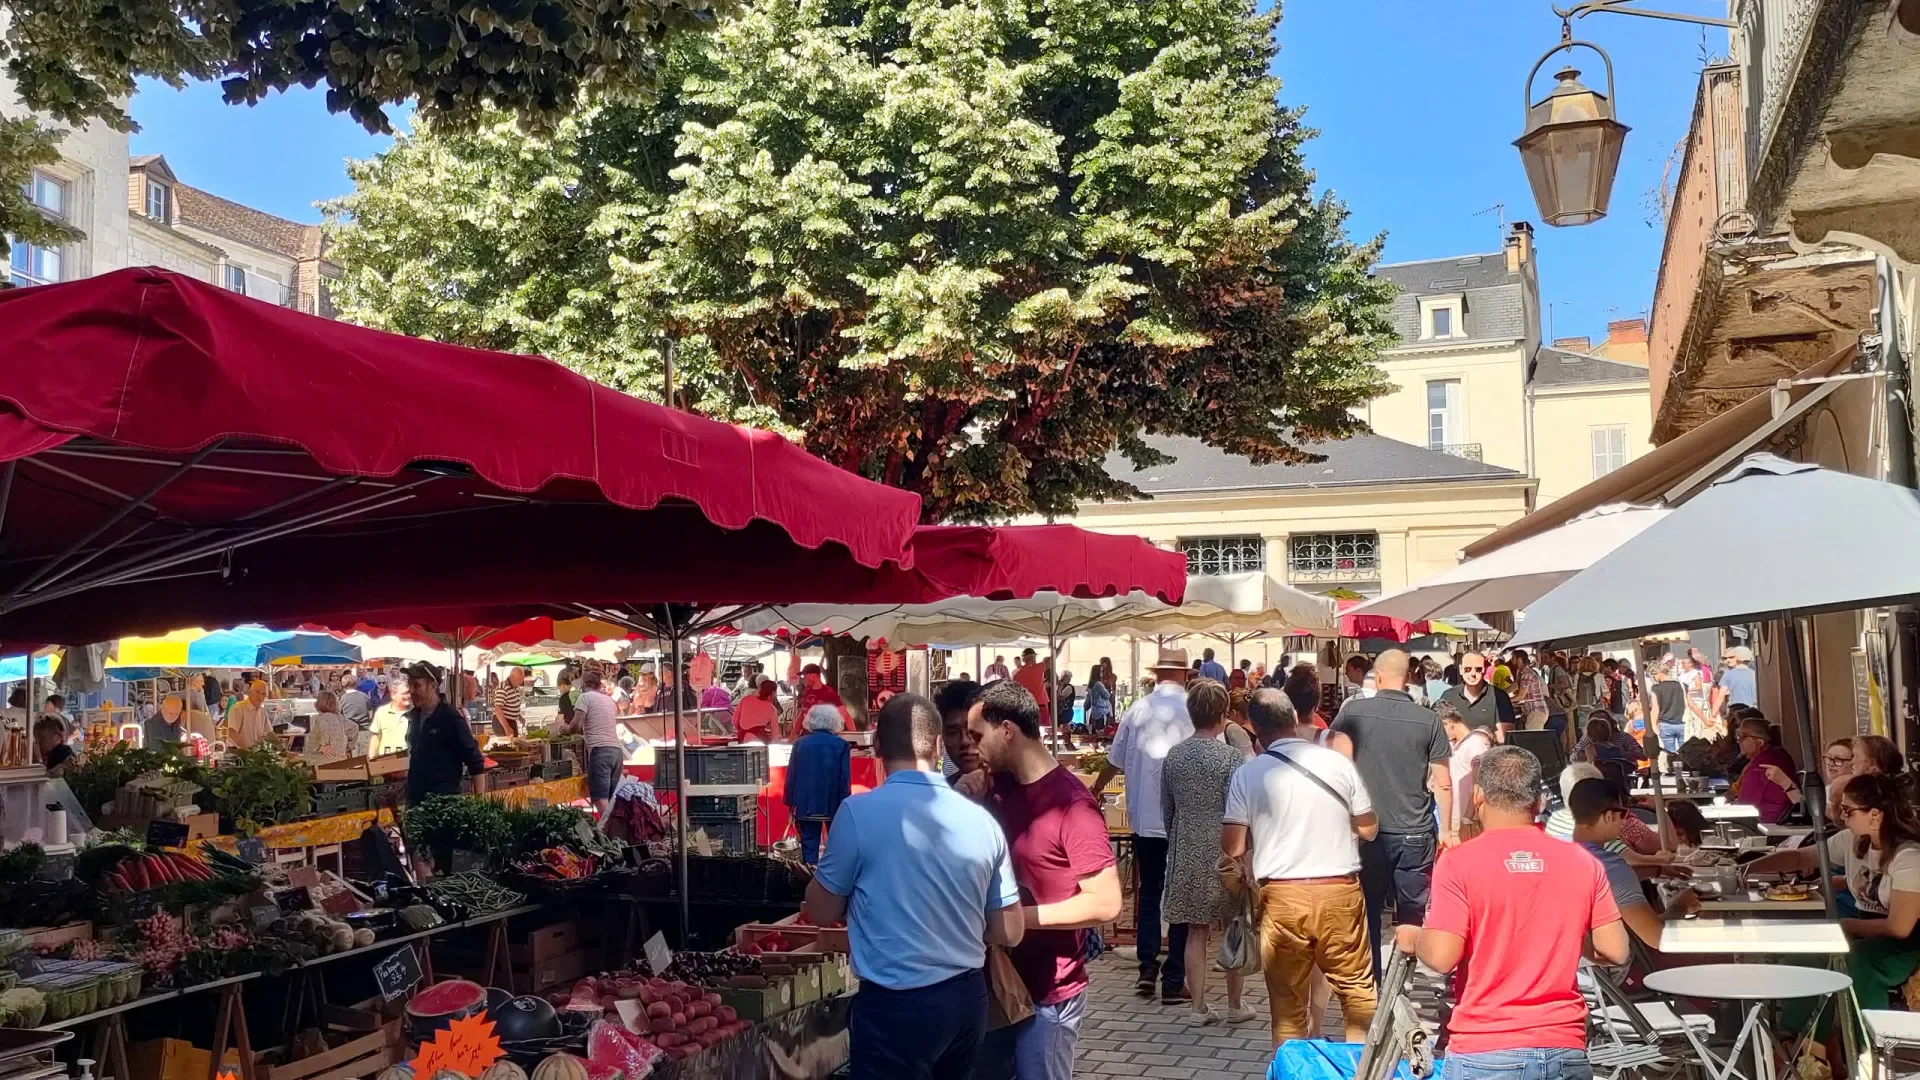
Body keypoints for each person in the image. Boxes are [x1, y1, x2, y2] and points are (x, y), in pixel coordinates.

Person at [807, 693, 1024, 1080]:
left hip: (895, 1003)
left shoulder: (858, 813)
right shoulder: (983, 821)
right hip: (966, 999)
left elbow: (820, 912)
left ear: (876, 746)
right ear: (938, 744)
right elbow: (1010, 930)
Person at [1415, 746, 1631, 1080]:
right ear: (1540, 803)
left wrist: (1416, 937)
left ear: (1477, 796)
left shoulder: (1458, 863)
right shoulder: (1582, 862)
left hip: (1485, 1047)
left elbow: (1442, 957)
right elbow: (1614, 950)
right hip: (1564, 1047)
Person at [970, 680, 1119, 1080]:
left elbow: (1105, 903)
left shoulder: (1072, 804)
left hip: (1048, 991)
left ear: (1007, 731)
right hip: (997, 986)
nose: (971, 747)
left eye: (977, 735)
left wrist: (1018, 920)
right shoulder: (995, 787)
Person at [1222, 688, 1378, 1045]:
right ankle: (1362, 1066)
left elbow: (1232, 845)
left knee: (1287, 1005)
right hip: (1340, 891)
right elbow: (1369, 828)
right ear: (1294, 717)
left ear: (1254, 729)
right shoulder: (1337, 763)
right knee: (1356, 994)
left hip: (1282, 897)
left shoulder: (1248, 774)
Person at [1751, 774, 1920, 1012]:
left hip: (1906, 944)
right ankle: (1805, 1040)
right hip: (1867, 932)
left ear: (1875, 814)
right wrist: (1746, 868)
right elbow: (1801, 857)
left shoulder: (1909, 856)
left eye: (1848, 810)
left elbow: (1899, 928)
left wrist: (1846, 926)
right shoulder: (1854, 840)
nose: (1842, 816)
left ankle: (1868, 1039)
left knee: (1857, 958)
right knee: (1806, 957)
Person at [1331, 648, 1451, 973]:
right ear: (1409, 677)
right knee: (1411, 913)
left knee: (1366, 907)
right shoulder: (1429, 720)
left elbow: (1330, 761)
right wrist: (1450, 830)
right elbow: (1443, 782)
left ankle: (1372, 983)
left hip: (1366, 830)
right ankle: (1403, 981)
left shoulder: (1353, 713)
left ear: (1377, 676)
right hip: (1416, 829)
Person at [1091, 649, 1195, 1003]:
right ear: (1184, 675)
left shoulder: (1137, 709)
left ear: (1158, 674)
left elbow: (1114, 760)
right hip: (1183, 818)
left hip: (1145, 818)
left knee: (1150, 892)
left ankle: (1147, 968)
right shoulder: (1193, 709)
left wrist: (1094, 790)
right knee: (1180, 898)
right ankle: (1174, 977)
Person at [1160, 680, 1258, 1026]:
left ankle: (1198, 1006)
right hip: (1225, 849)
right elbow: (1241, 810)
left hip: (1187, 847)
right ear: (1221, 714)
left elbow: (1167, 808)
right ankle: (1235, 1002)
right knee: (1234, 924)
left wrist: (1179, 836)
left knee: (1195, 930)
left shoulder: (1175, 755)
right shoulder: (1231, 757)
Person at [1567, 778, 1699, 971]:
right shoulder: (1612, 867)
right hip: (1625, 973)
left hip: (1582, 971)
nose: (1625, 821)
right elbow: (1657, 938)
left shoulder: (1566, 854)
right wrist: (1680, 906)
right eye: (1624, 814)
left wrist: (1657, 870)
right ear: (1609, 816)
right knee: (1718, 956)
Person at [401, 662, 486, 804]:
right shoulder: (414, 717)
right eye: (410, 685)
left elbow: (475, 762)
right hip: (415, 801)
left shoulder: (450, 717)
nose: (411, 690)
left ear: (433, 685)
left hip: (443, 803)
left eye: (417, 685)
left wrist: (480, 805)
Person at [787, 704, 853, 864]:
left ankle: (809, 878)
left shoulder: (800, 744)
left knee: (809, 846)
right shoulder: (841, 745)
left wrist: (790, 802)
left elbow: (792, 775)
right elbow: (844, 779)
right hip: (833, 802)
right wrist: (845, 802)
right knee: (836, 845)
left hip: (806, 802)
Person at [563, 671, 624, 814]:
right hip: (616, 753)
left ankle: (608, 832)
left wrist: (565, 729)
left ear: (584, 685)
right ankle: (614, 832)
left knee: (600, 798)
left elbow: (576, 726)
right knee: (610, 797)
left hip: (601, 752)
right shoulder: (608, 700)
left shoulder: (584, 698)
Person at [1439, 700, 1493, 843]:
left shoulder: (1475, 743)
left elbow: (1478, 783)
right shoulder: (1455, 744)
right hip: (1456, 816)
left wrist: (1467, 818)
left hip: (1466, 819)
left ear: (1449, 723)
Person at [1732, 714, 1798, 823]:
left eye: (1742, 737)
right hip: (1777, 820)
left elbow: (1745, 805)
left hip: (1768, 824)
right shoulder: (1776, 754)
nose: (1738, 741)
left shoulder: (1764, 762)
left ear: (1760, 742)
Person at [1436, 651, 1516, 733]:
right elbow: (1442, 730)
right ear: (1460, 670)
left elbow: (1504, 736)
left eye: (1478, 669)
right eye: (1467, 669)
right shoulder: (1448, 696)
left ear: (1484, 670)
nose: (1473, 673)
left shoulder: (1499, 697)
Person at [303, 690, 363, 761]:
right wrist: (349, 748)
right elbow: (354, 727)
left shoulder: (322, 718)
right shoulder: (340, 718)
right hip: (338, 758)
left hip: (322, 759)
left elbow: (324, 728)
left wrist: (322, 746)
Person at [793, 664, 846, 739]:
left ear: (813, 676)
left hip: (822, 737)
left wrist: (854, 736)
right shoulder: (807, 692)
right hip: (805, 736)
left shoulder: (829, 693)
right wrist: (792, 738)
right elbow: (802, 714)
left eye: (805, 676)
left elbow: (844, 714)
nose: (804, 679)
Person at [1648, 660, 1688, 754]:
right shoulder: (1682, 686)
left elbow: (1655, 709)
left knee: (1669, 754)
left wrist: (1653, 725)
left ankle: (1672, 768)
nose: (1654, 679)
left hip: (1665, 724)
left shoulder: (1656, 688)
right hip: (1683, 723)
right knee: (1684, 754)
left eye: (1654, 676)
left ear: (1658, 673)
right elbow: (1690, 705)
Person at [224, 680, 274, 749]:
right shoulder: (238, 708)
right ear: (250, 692)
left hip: (254, 752)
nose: (260, 697)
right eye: (257, 692)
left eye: (264, 694)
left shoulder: (263, 712)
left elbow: (269, 733)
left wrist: (282, 750)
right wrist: (247, 750)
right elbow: (233, 733)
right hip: (235, 752)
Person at [367, 679, 411, 756]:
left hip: (408, 760)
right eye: (404, 693)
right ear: (393, 695)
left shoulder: (415, 713)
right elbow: (375, 737)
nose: (408, 696)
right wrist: (371, 759)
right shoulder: (382, 712)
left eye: (409, 693)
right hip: (386, 760)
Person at [1713, 644, 1757, 719]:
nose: (1727, 660)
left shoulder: (1728, 674)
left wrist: (1713, 714)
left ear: (1740, 658)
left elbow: (1720, 696)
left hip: (1735, 711)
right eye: (1726, 658)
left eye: (1731, 657)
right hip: (1754, 710)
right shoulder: (1755, 673)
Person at [1509, 648, 1548, 730]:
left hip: (1536, 711)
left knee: (1532, 739)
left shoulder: (1527, 674)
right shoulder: (1523, 673)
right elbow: (1515, 686)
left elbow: (1520, 696)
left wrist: (1504, 699)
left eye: (1513, 659)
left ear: (1519, 660)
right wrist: (1501, 692)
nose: (1511, 661)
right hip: (1534, 711)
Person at [733, 679, 780, 743]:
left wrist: (740, 729)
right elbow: (775, 736)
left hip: (742, 737)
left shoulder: (746, 699)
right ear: (773, 693)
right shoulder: (772, 709)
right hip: (759, 738)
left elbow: (734, 720)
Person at [1011, 648, 1051, 723]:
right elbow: (1053, 658)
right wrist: (1062, 643)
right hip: (1040, 705)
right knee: (1044, 731)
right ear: (1033, 658)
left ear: (1023, 660)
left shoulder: (1017, 675)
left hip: (1025, 707)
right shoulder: (1038, 668)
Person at [492, 667, 527, 737]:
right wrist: (506, 727)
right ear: (512, 677)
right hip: (502, 722)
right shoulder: (503, 687)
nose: (521, 682)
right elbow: (498, 708)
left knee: (515, 744)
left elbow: (512, 705)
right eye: (519, 679)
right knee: (507, 746)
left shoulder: (516, 687)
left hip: (512, 721)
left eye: (522, 679)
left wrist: (520, 717)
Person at [1082, 668, 1114, 744]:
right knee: (1102, 729)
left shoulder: (1091, 685)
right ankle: (1101, 745)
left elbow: (1088, 699)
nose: (1102, 673)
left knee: (1096, 728)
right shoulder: (1099, 684)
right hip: (1101, 710)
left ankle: (1095, 745)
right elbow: (1107, 695)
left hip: (1094, 710)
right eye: (1101, 671)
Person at [1053, 669, 1077, 750]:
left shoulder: (1069, 687)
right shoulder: (1061, 686)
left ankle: (1067, 744)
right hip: (1060, 711)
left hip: (1066, 711)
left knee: (1065, 726)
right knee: (1062, 727)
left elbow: (1060, 697)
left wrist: (1059, 687)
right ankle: (1062, 744)